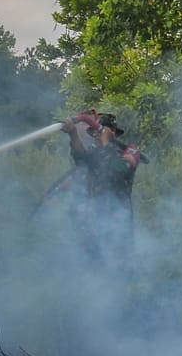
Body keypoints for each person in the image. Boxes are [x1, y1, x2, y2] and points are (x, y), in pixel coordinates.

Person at [61, 111, 143, 260]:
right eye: (94, 133)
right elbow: (80, 158)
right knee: (94, 266)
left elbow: (121, 168)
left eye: (100, 131)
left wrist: (106, 143)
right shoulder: (96, 154)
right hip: (94, 223)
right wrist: (73, 133)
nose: (96, 135)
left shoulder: (129, 151)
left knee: (120, 265)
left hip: (119, 222)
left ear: (112, 132)